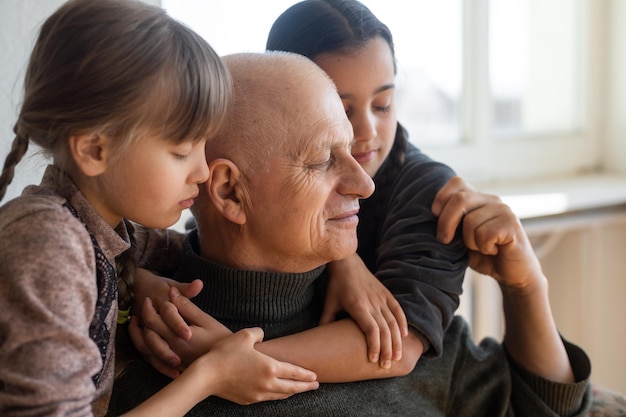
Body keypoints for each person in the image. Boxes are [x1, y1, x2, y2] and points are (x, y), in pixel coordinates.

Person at [109, 52, 592, 417]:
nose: (365, 184)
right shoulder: (128, 358)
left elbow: (549, 408)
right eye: (322, 160)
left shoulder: (389, 330)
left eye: (351, 150)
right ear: (231, 192)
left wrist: (528, 286)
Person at [0, 2, 318, 416]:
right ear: (95, 149)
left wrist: (347, 263)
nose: (203, 171)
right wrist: (208, 377)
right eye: (182, 150)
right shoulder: (49, 246)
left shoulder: (106, 229)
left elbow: (190, 248)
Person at [264, 0, 469, 364]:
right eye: (343, 110)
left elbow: (400, 347)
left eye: (383, 103)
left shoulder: (426, 188)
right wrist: (340, 258)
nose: (368, 132)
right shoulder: (262, 172)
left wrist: (228, 358)